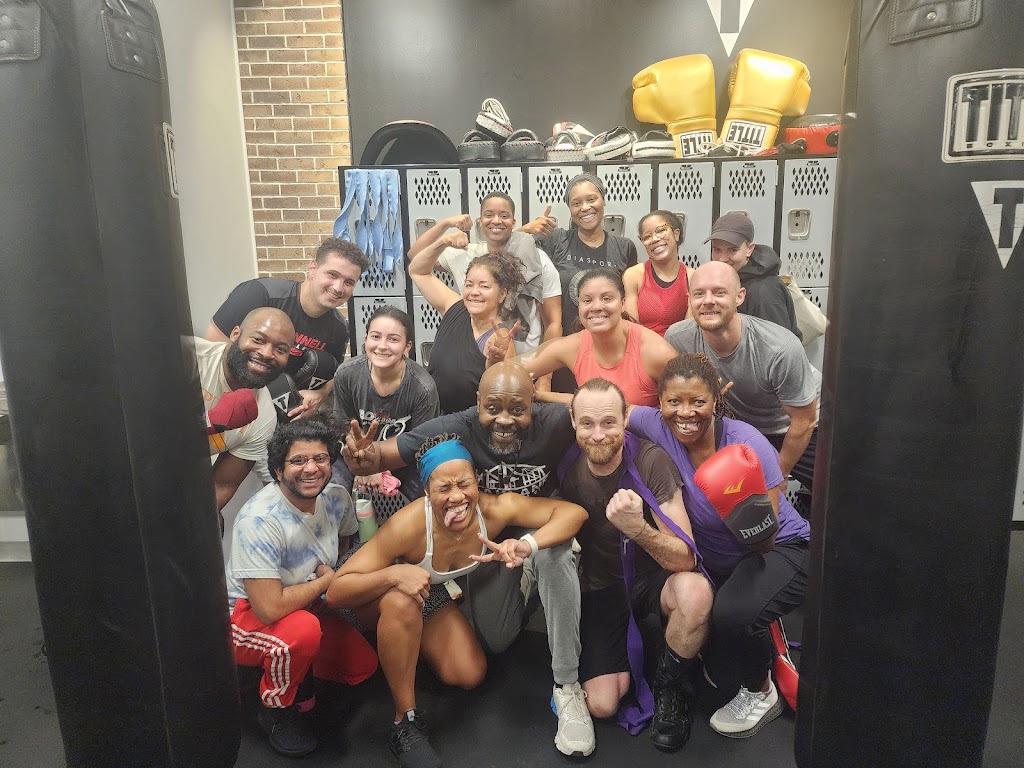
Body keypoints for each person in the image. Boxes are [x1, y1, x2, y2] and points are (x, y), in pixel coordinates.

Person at [340, 362, 595, 759]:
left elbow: (574, 513)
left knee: (470, 671)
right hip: (375, 592)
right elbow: (338, 591)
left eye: (465, 483)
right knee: (401, 600)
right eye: (444, 488)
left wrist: (527, 545)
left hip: (432, 591)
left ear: (479, 480)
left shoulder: (493, 508)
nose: (457, 496)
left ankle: (408, 646)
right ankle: (404, 721)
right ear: (426, 492)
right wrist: (394, 574)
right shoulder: (411, 524)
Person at [626, 353, 811, 738]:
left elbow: (766, 541)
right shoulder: (655, 424)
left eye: (698, 401)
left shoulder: (747, 444)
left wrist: (737, 501)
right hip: (722, 566)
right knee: (718, 671)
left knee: (733, 614)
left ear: (715, 400)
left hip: (781, 549)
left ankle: (761, 692)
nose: (685, 413)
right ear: (659, 403)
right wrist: (536, 398)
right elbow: (608, 410)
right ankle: (759, 621)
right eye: (674, 402)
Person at [559, 378, 711, 752]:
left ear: (626, 417)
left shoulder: (650, 461)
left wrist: (637, 528)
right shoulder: (566, 467)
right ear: (573, 421)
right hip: (602, 587)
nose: (598, 434)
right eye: (587, 423)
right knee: (603, 704)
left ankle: (672, 689)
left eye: (609, 422)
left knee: (695, 591)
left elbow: (685, 557)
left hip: (652, 579)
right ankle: (649, 645)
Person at [225, 415, 379, 757]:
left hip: (302, 604)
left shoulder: (336, 497)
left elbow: (344, 543)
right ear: (278, 471)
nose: (311, 468)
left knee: (361, 667)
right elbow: (269, 609)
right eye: (298, 460)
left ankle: (293, 663)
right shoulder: (260, 520)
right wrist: (326, 580)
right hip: (243, 617)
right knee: (302, 632)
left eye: (320, 458)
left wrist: (329, 583)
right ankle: (276, 708)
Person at [665, 262, 820, 493]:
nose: (708, 300)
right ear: (689, 299)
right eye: (699, 294)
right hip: (741, 429)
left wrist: (779, 474)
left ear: (739, 297)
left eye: (719, 292)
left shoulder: (778, 347)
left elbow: (804, 420)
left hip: (795, 427)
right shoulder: (678, 339)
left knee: (834, 496)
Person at [205, 237, 371, 419]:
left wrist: (320, 394)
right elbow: (211, 351)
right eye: (332, 275)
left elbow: (334, 374)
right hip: (230, 398)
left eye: (349, 282)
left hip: (286, 410)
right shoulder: (258, 294)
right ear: (312, 268)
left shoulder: (339, 328)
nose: (338, 287)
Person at [492, 269, 678, 407]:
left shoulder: (656, 352)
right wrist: (496, 358)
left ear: (622, 304)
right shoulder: (574, 345)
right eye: (587, 300)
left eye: (606, 299)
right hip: (592, 437)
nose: (596, 307)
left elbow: (684, 409)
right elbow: (503, 373)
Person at [407, 191, 562, 354]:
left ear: (513, 222)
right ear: (480, 221)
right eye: (489, 215)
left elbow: (553, 323)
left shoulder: (537, 260)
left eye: (504, 216)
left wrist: (544, 370)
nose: (496, 220)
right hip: (474, 356)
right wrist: (444, 226)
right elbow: (415, 256)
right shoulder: (465, 253)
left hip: (525, 360)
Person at [408, 235, 525, 414]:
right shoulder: (454, 306)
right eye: (469, 285)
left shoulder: (499, 340)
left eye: (484, 286)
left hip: (467, 424)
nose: (474, 292)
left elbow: (498, 399)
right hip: (432, 416)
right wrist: (443, 242)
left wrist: (496, 361)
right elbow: (418, 271)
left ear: (502, 294)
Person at [332, 306, 439, 499]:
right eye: (375, 337)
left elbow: (420, 444)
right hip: (355, 454)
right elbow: (344, 425)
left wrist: (378, 465)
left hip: (403, 459)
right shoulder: (346, 374)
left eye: (393, 339)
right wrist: (363, 465)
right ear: (365, 339)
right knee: (332, 492)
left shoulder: (422, 387)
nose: (382, 346)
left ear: (407, 346)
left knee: (426, 495)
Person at [197, 307, 294, 514]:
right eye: (258, 340)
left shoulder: (264, 416)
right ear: (235, 334)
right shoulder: (189, 358)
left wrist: (197, 520)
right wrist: (207, 424)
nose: (266, 354)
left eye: (280, 350)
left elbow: (222, 485)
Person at [520, 173, 638, 338]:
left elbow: (629, 300)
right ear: (570, 209)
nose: (585, 207)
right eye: (576, 203)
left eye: (591, 199)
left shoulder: (624, 247)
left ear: (603, 200)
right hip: (565, 343)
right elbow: (505, 252)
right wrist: (526, 230)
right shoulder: (556, 240)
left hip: (608, 341)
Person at [706, 212, 801, 340]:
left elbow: (776, 343)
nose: (722, 258)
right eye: (717, 250)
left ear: (749, 249)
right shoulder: (731, 278)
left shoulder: (764, 291)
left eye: (733, 250)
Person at [623, 210, 694, 336]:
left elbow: (689, 332)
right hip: (642, 345)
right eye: (646, 237)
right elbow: (631, 328)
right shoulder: (633, 275)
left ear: (676, 234)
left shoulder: (692, 277)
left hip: (679, 346)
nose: (654, 239)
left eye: (660, 231)